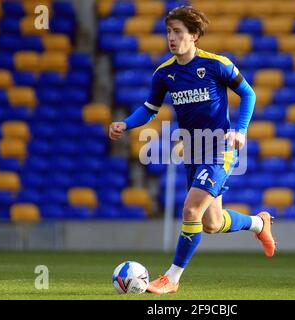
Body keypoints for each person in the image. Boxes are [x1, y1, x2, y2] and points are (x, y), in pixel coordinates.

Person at [109, 6, 276, 294]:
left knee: (190, 209)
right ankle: (258, 224)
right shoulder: (164, 73)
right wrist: (125, 123)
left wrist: (241, 130)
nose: (171, 38)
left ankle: (171, 279)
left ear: (194, 35)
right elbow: (150, 109)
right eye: (168, 32)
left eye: (177, 32)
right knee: (211, 223)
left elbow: (248, 93)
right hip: (194, 150)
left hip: (220, 147)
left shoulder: (216, 65)